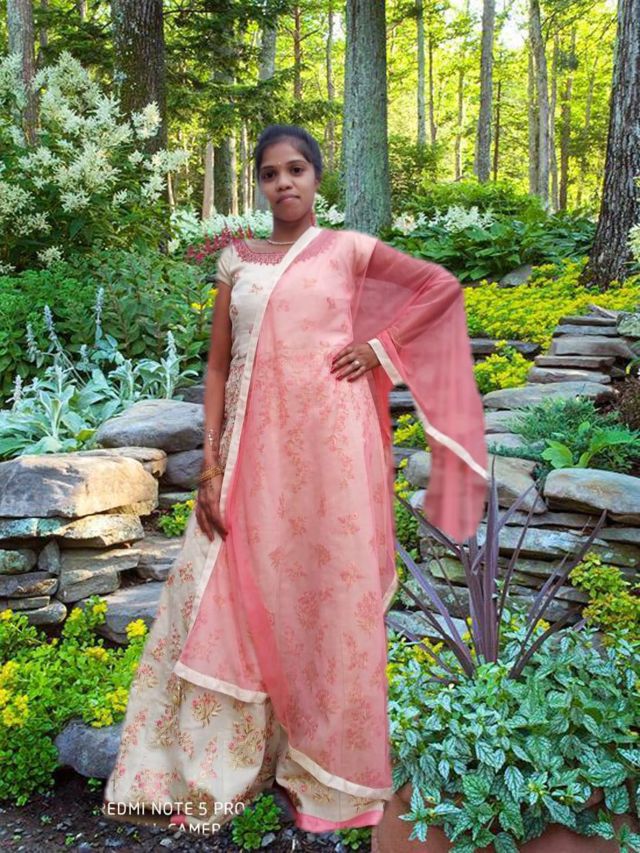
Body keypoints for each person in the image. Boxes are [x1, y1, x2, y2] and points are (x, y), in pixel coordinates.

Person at [102, 124, 488, 836]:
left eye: (297, 170)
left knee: (326, 592)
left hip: (334, 456)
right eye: (271, 173)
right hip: (250, 457)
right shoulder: (236, 262)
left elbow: (439, 287)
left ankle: (325, 770)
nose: (284, 183)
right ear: (259, 184)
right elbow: (218, 365)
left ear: (317, 176)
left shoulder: (347, 250)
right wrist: (210, 464)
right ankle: (222, 764)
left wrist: (379, 348)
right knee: (223, 586)